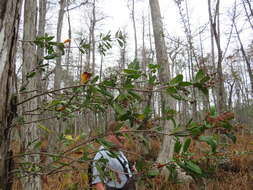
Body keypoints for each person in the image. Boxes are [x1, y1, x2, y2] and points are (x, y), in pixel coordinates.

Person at [91, 123, 136, 190]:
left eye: (125, 135)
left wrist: (130, 169)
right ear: (110, 134)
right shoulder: (102, 155)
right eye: (121, 135)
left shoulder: (118, 151)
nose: (124, 138)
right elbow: (98, 184)